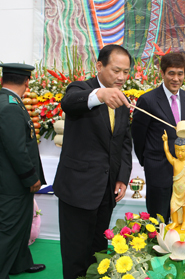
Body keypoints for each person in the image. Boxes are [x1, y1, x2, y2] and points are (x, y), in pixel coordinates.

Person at [53, 44, 133, 279]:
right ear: (99, 66)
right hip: (78, 189)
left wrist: (122, 176)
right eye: (116, 70)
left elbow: (124, 142)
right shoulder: (82, 89)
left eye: (126, 72)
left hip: (106, 190)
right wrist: (99, 95)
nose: (121, 77)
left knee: (98, 254)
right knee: (75, 254)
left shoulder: (121, 99)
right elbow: (69, 102)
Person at [0, 63, 46, 278]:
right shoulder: (10, 105)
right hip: (12, 181)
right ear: (27, 81)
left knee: (20, 226)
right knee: (9, 230)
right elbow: (16, 149)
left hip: (9, 179)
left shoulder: (2, 100)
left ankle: (19, 263)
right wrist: (31, 178)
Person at [131, 52, 185, 223]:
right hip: (157, 169)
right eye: (171, 73)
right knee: (158, 219)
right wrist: (148, 161)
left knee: (179, 218)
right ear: (162, 73)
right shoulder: (148, 100)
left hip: (181, 171)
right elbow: (138, 135)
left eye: (180, 73)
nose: (176, 78)